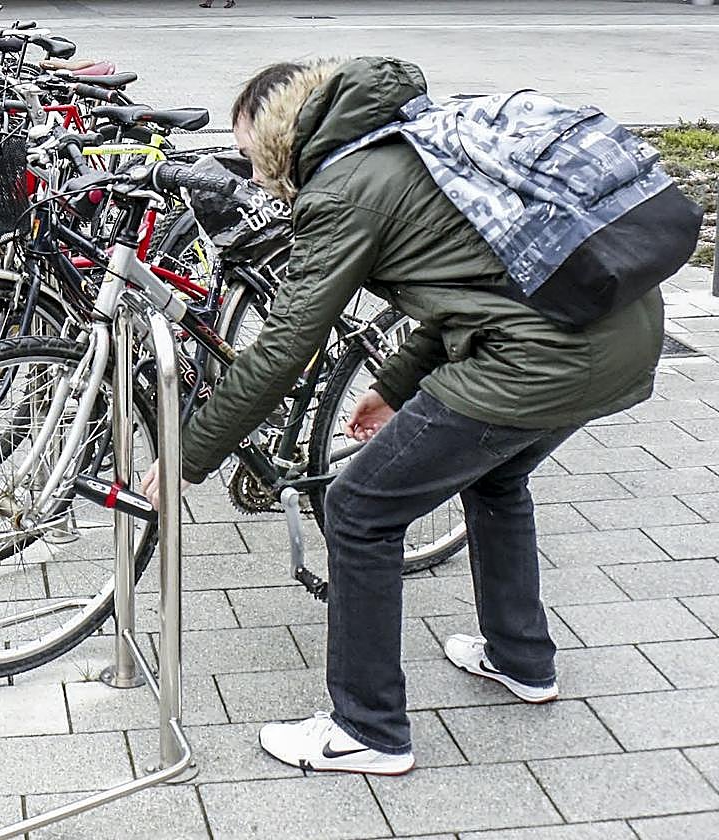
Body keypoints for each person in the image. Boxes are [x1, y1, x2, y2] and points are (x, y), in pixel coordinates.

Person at [141, 57, 663, 775]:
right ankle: (521, 660)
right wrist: (393, 385)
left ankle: (368, 729)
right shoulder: (406, 142)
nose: (253, 176)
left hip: (539, 360)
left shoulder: (343, 188)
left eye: (250, 155)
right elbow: (472, 289)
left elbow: (285, 347)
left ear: (279, 138)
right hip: (618, 334)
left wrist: (188, 453)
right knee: (498, 478)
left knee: (359, 510)